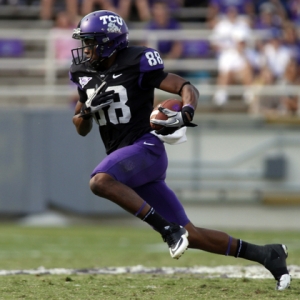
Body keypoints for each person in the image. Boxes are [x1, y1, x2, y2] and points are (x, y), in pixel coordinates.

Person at [69, 10, 291, 291]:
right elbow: (80, 126)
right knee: (193, 234)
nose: (85, 49)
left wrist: (186, 111)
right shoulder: (83, 72)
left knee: (100, 181)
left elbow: (185, 86)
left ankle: (167, 230)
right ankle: (267, 254)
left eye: (90, 42)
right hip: (125, 159)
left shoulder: (137, 61)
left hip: (145, 149)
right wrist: (86, 112)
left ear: (108, 42)